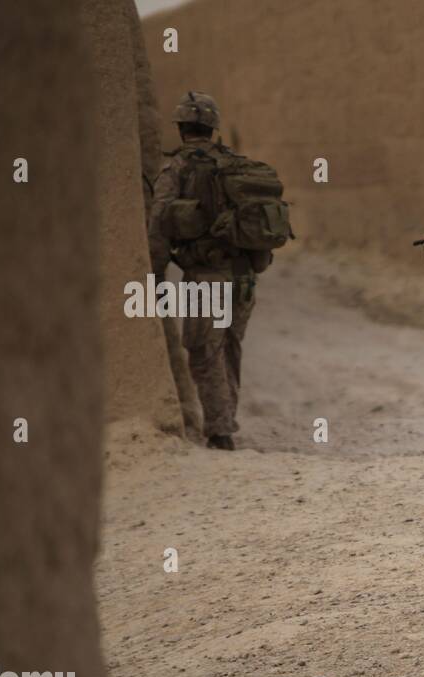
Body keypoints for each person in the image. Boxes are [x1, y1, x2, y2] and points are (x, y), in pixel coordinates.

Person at [148, 91, 288, 450]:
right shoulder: (236, 164)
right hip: (244, 278)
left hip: (205, 277)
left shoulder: (178, 169)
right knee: (230, 348)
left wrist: (157, 272)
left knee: (203, 350)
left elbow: (160, 222)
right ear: (212, 128)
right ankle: (225, 421)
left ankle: (220, 431)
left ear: (181, 129)